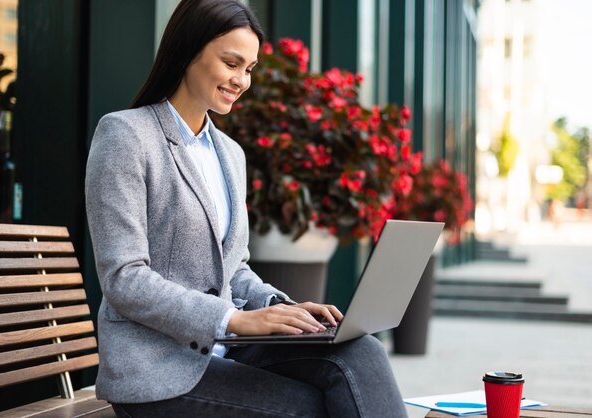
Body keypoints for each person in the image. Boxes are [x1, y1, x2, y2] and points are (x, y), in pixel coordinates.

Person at [85, 0, 408, 416]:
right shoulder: (126, 135)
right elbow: (124, 278)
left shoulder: (229, 153)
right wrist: (232, 320)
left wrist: (280, 307)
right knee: (311, 406)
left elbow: (233, 268)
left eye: (250, 69)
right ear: (188, 51)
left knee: (360, 351)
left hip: (226, 351)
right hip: (157, 371)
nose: (241, 80)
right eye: (231, 63)